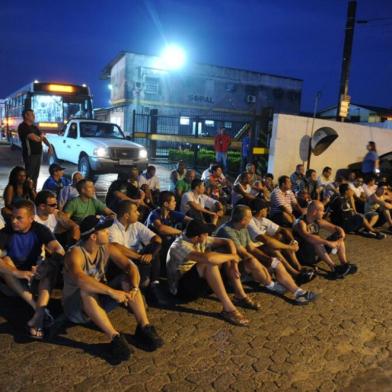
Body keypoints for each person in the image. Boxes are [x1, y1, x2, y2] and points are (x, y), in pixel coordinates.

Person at [62, 215, 163, 361]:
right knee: (87, 289)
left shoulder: (106, 247)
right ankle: (115, 338)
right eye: (103, 230)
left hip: (98, 301)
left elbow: (130, 266)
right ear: (93, 236)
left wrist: (134, 287)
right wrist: (112, 292)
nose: (108, 232)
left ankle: (144, 328)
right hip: (76, 308)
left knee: (126, 278)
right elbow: (80, 279)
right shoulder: (75, 253)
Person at [216, 205, 317, 304]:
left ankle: (298, 292)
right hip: (229, 269)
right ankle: (272, 285)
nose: (251, 219)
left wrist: (269, 260)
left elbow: (251, 248)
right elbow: (244, 253)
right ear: (243, 220)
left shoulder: (242, 227)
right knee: (253, 261)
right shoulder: (227, 231)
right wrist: (264, 264)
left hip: (240, 263)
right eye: (249, 217)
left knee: (276, 262)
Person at [167, 219, 254, 326]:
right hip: (181, 289)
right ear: (197, 237)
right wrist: (233, 257)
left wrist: (234, 263)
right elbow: (209, 259)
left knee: (223, 253)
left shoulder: (198, 238)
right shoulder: (179, 246)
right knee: (209, 262)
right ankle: (229, 309)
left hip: (197, 281)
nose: (208, 235)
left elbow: (228, 241)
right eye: (205, 234)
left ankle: (240, 295)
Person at [0, 200, 65, 338]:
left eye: (19, 218)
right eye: (12, 217)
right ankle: (38, 309)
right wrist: (17, 272)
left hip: (35, 274)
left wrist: (45, 265)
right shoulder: (6, 232)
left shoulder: (40, 230)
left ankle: (39, 314)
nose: (14, 221)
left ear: (31, 218)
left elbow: (58, 249)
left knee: (50, 265)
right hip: (14, 281)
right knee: (5, 261)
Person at [109, 200, 164, 305]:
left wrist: (150, 254)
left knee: (156, 247)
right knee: (147, 260)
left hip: (137, 257)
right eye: (135, 211)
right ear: (126, 215)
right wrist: (139, 256)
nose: (138, 213)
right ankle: (144, 288)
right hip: (120, 262)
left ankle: (153, 285)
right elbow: (116, 247)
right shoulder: (112, 227)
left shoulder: (136, 225)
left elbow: (157, 239)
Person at [247, 199, 316, 282]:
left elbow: (283, 230)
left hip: (261, 246)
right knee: (273, 249)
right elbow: (266, 240)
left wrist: (293, 242)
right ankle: (295, 274)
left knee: (283, 237)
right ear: (261, 210)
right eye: (266, 208)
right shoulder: (250, 221)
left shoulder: (262, 220)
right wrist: (289, 247)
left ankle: (299, 268)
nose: (268, 209)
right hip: (252, 250)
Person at [293, 200, 357, 278]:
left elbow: (335, 228)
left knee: (337, 235)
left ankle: (344, 264)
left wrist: (341, 232)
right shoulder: (301, 223)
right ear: (314, 212)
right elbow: (308, 237)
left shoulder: (317, 220)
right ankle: (333, 267)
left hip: (316, 252)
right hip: (304, 255)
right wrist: (328, 243)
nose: (324, 213)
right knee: (317, 240)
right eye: (322, 211)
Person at [17, 109, 53, 188]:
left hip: (39, 154)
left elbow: (42, 137)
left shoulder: (34, 127)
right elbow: (34, 138)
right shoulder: (22, 127)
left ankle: (33, 193)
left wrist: (49, 146)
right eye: (32, 115)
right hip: (30, 154)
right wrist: (40, 137)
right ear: (26, 116)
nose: (34, 116)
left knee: (35, 176)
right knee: (29, 176)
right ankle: (27, 194)